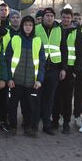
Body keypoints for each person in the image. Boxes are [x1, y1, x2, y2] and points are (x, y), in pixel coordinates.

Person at [6, 15, 45, 137]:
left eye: (30, 25)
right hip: (15, 81)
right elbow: (7, 60)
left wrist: (39, 80)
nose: (28, 27)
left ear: (33, 27)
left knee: (29, 107)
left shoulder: (38, 41)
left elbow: (42, 62)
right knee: (12, 106)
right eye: (25, 25)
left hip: (31, 83)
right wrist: (9, 78)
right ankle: (13, 127)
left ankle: (28, 127)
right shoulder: (15, 39)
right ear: (22, 26)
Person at [51, 8, 82, 134]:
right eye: (63, 17)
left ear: (72, 19)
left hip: (70, 70)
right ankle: (54, 120)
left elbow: (81, 54)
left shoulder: (77, 33)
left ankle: (66, 123)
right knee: (56, 97)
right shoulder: (56, 30)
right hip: (57, 67)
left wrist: (76, 71)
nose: (65, 19)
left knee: (67, 98)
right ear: (61, 17)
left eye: (68, 18)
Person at [34, 7, 67, 135]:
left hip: (54, 69)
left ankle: (47, 125)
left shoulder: (59, 30)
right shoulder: (36, 29)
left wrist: (64, 68)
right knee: (37, 98)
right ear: (43, 17)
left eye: (52, 16)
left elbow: (64, 49)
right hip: (39, 69)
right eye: (47, 15)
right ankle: (34, 124)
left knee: (49, 99)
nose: (49, 18)